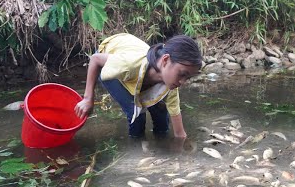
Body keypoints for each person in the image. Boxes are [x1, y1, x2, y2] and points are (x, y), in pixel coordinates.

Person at [74, 33, 202, 140]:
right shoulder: (128, 65)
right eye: (182, 74)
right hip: (108, 62)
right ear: (165, 60)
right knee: (137, 113)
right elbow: (95, 59)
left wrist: (182, 152)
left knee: (162, 113)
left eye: (188, 78)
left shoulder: (171, 83)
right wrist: (88, 98)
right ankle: (136, 148)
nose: (182, 82)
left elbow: (179, 130)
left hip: (132, 55)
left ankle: (160, 142)